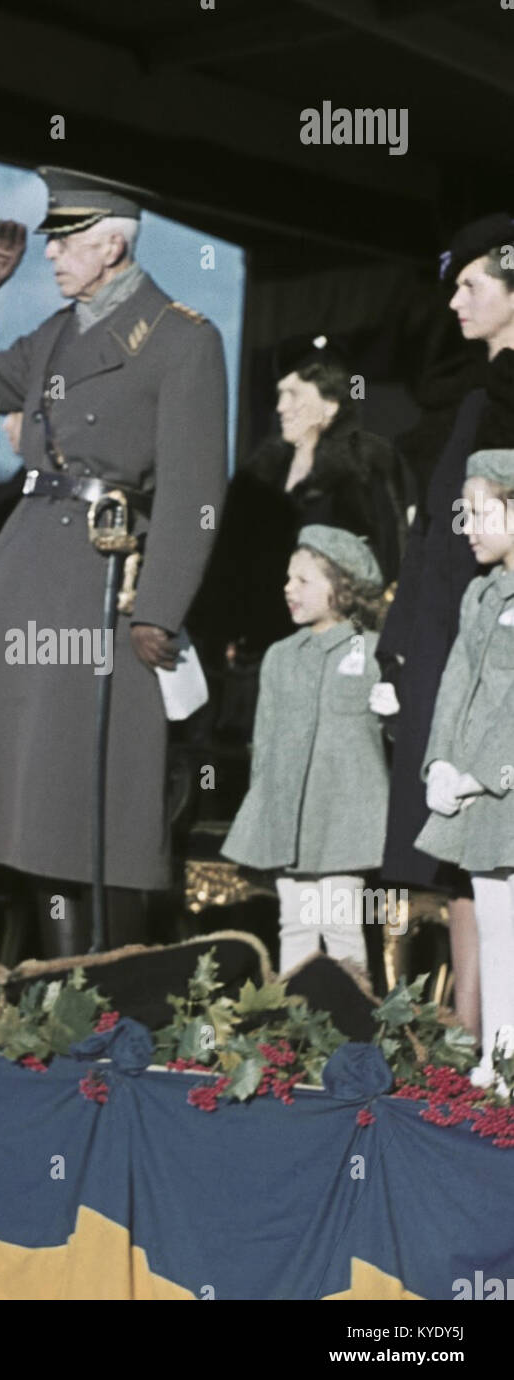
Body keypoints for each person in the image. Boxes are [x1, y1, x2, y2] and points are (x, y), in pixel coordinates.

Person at [0, 166, 228, 957]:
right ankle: (40, 979)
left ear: (113, 245)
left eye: (64, 241)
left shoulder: (182, 339)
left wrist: (160, 607)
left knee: (88, 797)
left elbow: (196, 492)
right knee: (23, 798)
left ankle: (98, 987)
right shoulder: (56, 334)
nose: (51, 254)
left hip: (104, 579)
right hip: (25, 568)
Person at [378, 213, 514, 1040]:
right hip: (446, 636)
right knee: (455, 836)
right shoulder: (471, 395)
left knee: (497, 831)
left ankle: (497, 1038)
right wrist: (401, 641)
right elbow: (435, 533)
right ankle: (468, 1029)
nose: (455, 300)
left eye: (471, 284)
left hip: (496, 644)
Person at [200, 334, 409, 743]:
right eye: (279, 395)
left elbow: (387, 562)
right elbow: (226, 567)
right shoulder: (255, 479)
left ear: (331, 404)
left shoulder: (365, 470)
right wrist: (221, 635)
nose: (281, 407)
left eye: (294, 395)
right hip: (255, 658)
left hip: (334, 657)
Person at [222, 526, 388, 977]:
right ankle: (293, 1018)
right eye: (287, 578)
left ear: (342, 588)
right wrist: (265, 814)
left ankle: (349, 1016)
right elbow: (264, 743)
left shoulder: (374, 652)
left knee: (340, 927)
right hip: (288, 822)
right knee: (294, 924)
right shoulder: (280, 656)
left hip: (344, 822)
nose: (288, 588)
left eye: (303, 580)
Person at [414, 449, 514, 1090]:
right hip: (480, 799)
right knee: (495, 928)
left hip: (501, 783)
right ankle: (498, 1059)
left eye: (479, 513)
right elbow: (455, 685)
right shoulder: (481, 594)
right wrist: (439, 763)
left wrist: (480, 772)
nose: (467, 528)